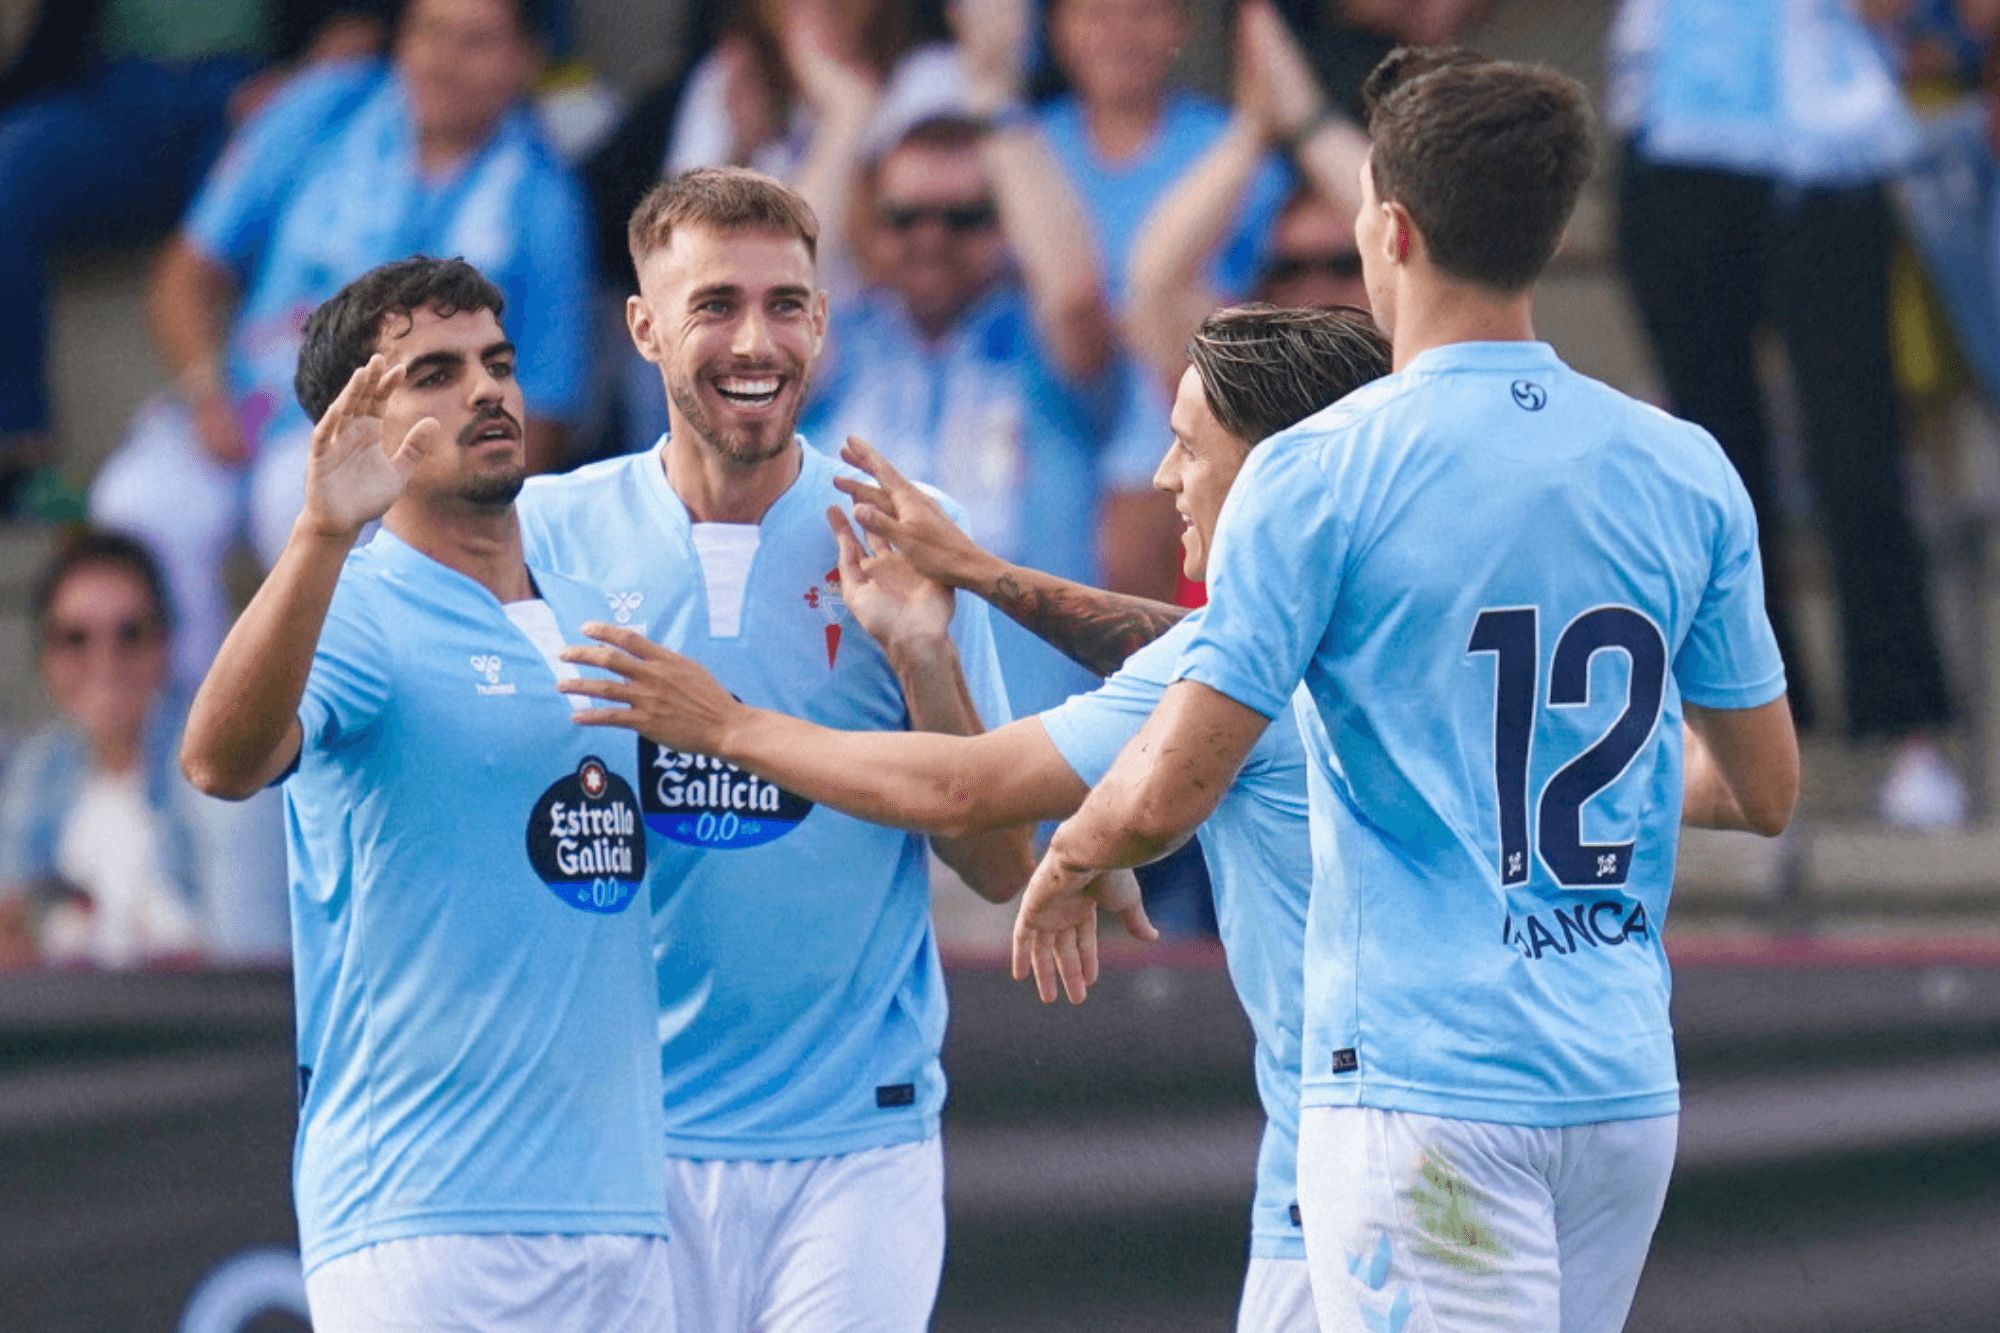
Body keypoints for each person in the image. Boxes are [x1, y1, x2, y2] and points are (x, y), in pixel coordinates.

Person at [1014, 49, 1801, 1333]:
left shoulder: (1319, 469)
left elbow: (1184, 774)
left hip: (1426, 1089)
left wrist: (1079, 847)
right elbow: (1763, 789)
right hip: (1614, 1087)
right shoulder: (1682, 466)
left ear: (1388, 227)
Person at [557, 303, 1389, 1332]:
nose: (1166, 477)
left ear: (1276, 475)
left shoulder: (1250, 658)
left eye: (1186, 447)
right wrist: (981, 575)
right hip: (1454, 1114)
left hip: (1381, 1139)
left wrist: (724, 725)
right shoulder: (1390, 618)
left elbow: (965, 790)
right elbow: (1188, 650)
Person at [513, 166, 1030, 1332]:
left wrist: (923, 659)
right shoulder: (541, 536)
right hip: (617, 1148)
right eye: (715, 306)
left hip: (856, 1140)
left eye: (786, 304)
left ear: (823, 320)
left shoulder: (899, 528)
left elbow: (999, 865)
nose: (757, 340)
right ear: (642, 326)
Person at [178, 256, 671, 1331]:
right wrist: (319, 533)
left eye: (496, 363)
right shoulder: (355, 610)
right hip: (425, 1215)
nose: (486, 391)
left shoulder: (603, 617)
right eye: (435, 374)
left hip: (626, 1209)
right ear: (355, 423)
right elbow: (216, 762)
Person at [90, 0, 590, 690]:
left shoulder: (543, 198)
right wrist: (207, 393)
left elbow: (550, 413)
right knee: (138, 502)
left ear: (528, 61)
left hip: (387, 455)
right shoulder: (324, 105)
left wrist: (455, 504)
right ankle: (194, 762)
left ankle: (299, 740)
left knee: (292, 498)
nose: (442, 61)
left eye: (474, 42)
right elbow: (187, 271)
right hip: (242, 406)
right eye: (429, 33)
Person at [1612, 0, 1961, 826]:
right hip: (1671, 150)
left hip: (1823, 157)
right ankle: (1750, 742)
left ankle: (1904, 729)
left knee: (1858, 455)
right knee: (1714, 467)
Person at [0, 1, 389, 515]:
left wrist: (304, 81)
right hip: (113, 92)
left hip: (250, 87)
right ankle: (20, 451)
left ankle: (284, 411)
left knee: (271, 212)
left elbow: (368, 21)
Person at [1126, 1, 1374, 386]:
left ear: (1383, 267)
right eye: (1287, 269)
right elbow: (1154, 288)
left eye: (1343, 264)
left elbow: (1415, 236)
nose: (1315, 291)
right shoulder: (1253, 380)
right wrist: (1250, 133)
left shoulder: (1412, 354)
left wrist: (1308, 120)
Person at [0, 531, 207, 967]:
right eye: (75, 638)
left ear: (165, 643)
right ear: (46, 656)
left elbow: (242, 951)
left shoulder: (216, 768)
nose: (104, 661)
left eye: (129, 634)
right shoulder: (31, 772)